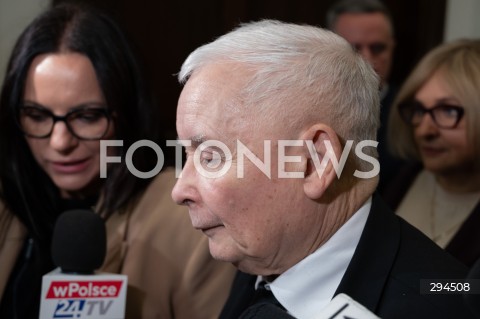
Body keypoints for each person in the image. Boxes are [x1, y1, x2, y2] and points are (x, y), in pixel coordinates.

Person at [171, 20, 474, 318]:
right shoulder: (262, 255)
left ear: (316, 161)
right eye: (187, 156)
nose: (179, 190)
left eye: (211, 156)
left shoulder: (438, 306)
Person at [0, 3, 235, 318]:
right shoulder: (9, 203)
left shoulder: (187, 221)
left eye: (86, 116)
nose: (60, 142)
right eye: (37, 115)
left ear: (127, 112)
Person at [382, 39, 480, 268]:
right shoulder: (402, 178)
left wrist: (425, 287)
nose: (425, 130)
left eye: (447, 110)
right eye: (419, 110)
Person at [326, 0, 401, 191]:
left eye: (377, 48)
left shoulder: (411, 117)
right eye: (353, 49)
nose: (366, 59)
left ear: (392, 47)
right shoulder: (305, 108)